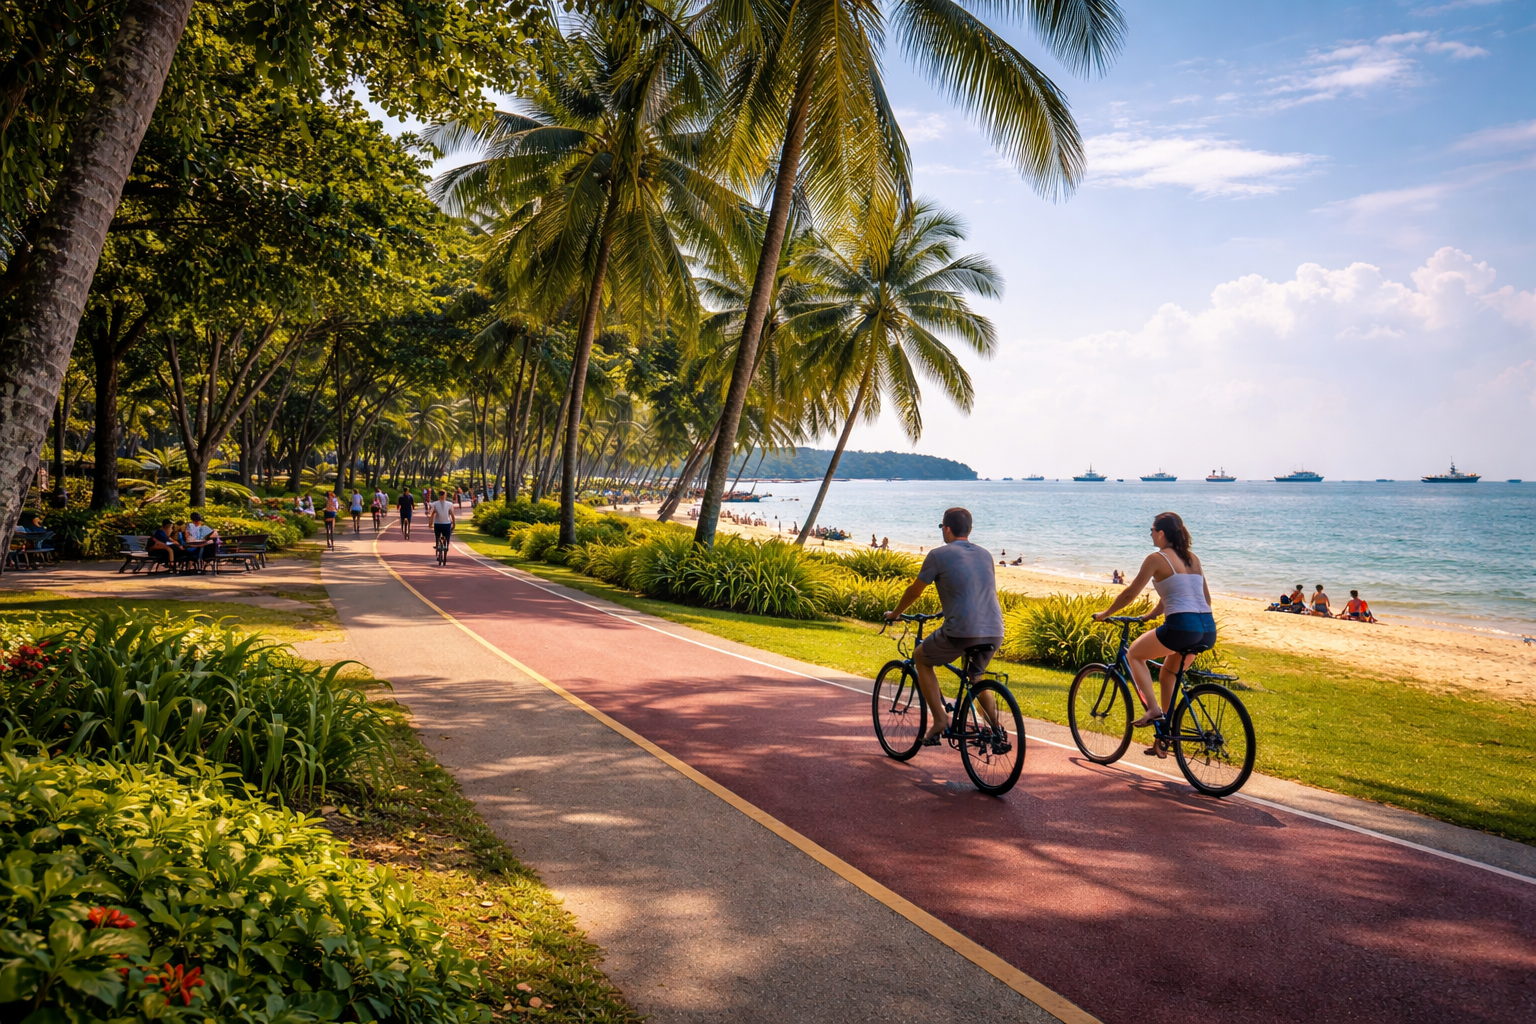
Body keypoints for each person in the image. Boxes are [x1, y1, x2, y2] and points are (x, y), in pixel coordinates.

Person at [1092, 511, 1216, 758]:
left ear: (1161, 533)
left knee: (1135, 655)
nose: (1149, 534)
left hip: (1181, 627)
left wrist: (1106, 613)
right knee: (1168, 674)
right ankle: (1164, 735)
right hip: (1206, 629)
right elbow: (1190, 596)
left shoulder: (1156, 558)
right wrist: (1150, 616)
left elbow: (1130, 593)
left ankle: (1153, 711)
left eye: (1151, 530)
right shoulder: (1193, 559)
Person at [884, 507, 1006, 747]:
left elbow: (914, 591)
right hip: (994, 629)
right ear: (969, 530)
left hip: (962, 630)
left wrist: (895, 614)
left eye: (942, 527)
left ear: (947, 529)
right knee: (976, 676)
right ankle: (996, 731)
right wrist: (945, 610)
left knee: (921, 656)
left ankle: (940, 719)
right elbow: (973, 588)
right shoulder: (985, 555)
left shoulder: (938, 555)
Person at [429, 488, 456, 556]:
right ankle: (446, 547)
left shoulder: (434, 504)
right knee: (447, 537)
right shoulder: (449, 504)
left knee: (437, 536)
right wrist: (454, 525)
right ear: (445, 495)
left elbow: (432, 514)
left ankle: (438, 546)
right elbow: (452, 515)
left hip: (438, 524)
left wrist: (430, 523)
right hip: (447, 524)